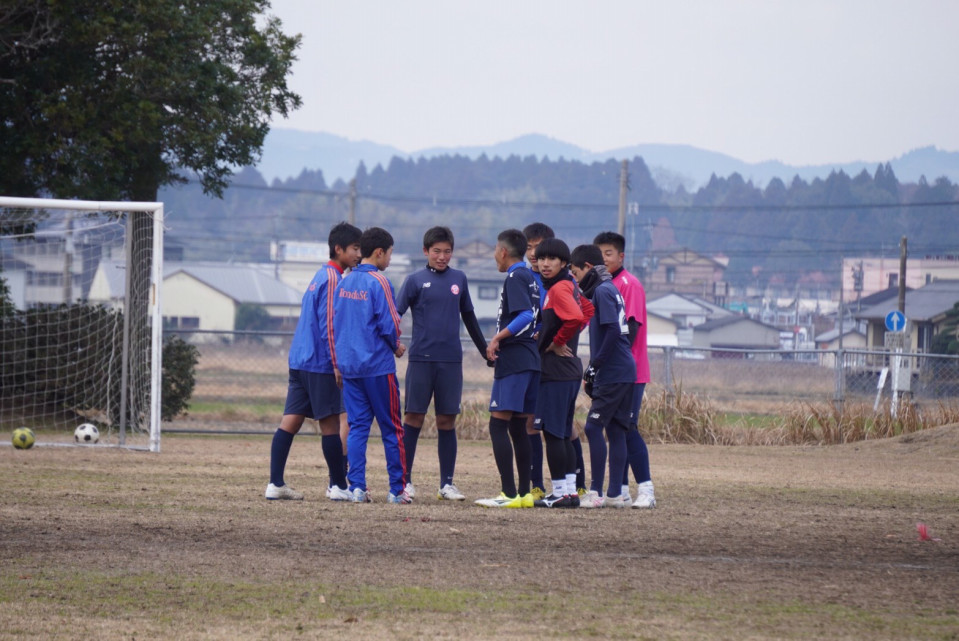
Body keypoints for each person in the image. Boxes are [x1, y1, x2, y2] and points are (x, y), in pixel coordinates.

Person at [265, 221, 362, 501]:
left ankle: (275, 483)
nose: (358, 254)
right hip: (319, 363)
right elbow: (329, 325)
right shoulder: (333, 279)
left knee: (290, 422)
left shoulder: (319, 275)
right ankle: (338, 487)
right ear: (339, 249)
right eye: (355, 248)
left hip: (299, 361)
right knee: (330, 425)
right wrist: (336, 363)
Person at [395, 226, 489, 501]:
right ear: (426, 251)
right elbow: (394, 313)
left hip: (450, 360)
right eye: (437, 251)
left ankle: (447, 484)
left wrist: (485, 351)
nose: (442, 256)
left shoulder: (460, 278)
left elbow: (470, 318)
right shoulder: (414, 280)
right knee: (413, 417)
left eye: (447, 251)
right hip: (421, 359)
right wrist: (392, 342)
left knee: (447, 420)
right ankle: (404, 482)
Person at [333, 226, 410, 504]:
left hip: (351, 368)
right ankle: (397, 490)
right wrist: (396, 346)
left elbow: (336, 324)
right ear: (379, 252)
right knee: (392, 428)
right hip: (378, 368)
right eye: (389, 254)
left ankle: (357, 487)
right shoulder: (379, 282)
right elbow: (390, 323)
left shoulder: (344, 282)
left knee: (357, 428)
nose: (389, 260)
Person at [475, 229, 540, 508]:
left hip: (515, 359)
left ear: (503, 252)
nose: (494, 257)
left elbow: (526, 314)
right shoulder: (531, 277)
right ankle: (524, 494)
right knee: (518, 426)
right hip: (531, 359)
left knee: (498, 424)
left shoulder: (515, 276)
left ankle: (509, 493)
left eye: (495, 251)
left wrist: (498, 337)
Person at [593, 231, 657, 509]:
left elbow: (629, 329)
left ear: (621, 256)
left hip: (629, 371)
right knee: (615, 429)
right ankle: (620, 489)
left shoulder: (629, 284)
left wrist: (611, 362)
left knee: (628, 428)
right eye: (600, 254)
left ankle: (646, 489)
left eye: (609, 253)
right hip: (613, 371)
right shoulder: (602, 285)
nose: (604, 259)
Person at [569, 244, 635, 508]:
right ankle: (616, 494)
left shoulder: (603, 291)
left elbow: (611, 332)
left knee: (593, 426)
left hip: (614, 371)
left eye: (575, 272)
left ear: (587, 267)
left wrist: (593, 368)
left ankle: (596, 492)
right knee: (617, 431)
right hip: (624, 370)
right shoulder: (610, 288)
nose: (574, 278)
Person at [531, 238, 593, 508]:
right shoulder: (571, 285)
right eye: (541, 258)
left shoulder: (558, 288)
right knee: (563, 431)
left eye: (552, 259)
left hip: (556, 371)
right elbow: (588, 310)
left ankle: (558, 492)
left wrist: (558, 341)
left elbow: (576, 318)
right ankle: (568, 491)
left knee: (553, 433)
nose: (545, 264)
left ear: (565, 263)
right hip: (568, 371)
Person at [521, 222, 552, 500]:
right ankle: (536, 483)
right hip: (528, 360)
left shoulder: (555, 282)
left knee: (560, 424)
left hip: (553, 362)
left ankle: (577, 483)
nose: (533, 253)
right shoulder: (520, 278)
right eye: (529, 247)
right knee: (529, 422)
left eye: (538, 248)